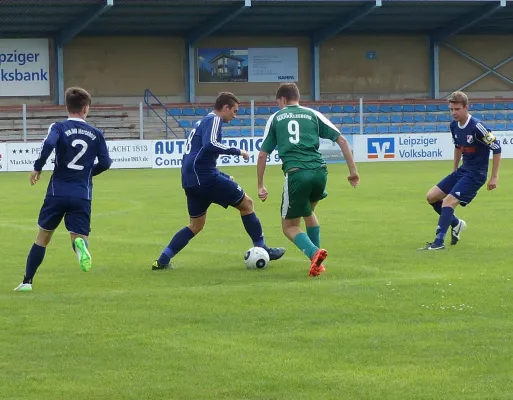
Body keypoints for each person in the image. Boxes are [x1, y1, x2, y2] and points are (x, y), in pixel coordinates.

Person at [152, 92, 285, 270]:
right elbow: (210, 144)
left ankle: (162, 260)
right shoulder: (215, 120)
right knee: (247, 204)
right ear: (225, 108)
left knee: (195, 225)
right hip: (205, 178)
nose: (235, 116)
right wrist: (237, 151)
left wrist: (222, 175)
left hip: (191, 180)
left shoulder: (202, 122)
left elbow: (199, 156)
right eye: (234, 111)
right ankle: (263, 248)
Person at [14, 87, 112, 292]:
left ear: (67, 107)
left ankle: (27, 282)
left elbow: (49, 143)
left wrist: (37, 167)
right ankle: (80, 245)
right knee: (78, 237)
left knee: (43, 237)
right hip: (81, 193)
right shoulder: (96, 134)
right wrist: (87, 172)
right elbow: (106, 162)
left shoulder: (58, 127)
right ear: (86, 109)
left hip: (57, 191)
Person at [256, 83, 359, 277]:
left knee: (289, 227)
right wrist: (353, 172)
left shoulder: (277, 117)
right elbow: (342, 140)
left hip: (297, 174)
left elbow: (263, 154)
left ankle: (314, 253)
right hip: (320, 172)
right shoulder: (312, 114)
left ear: (283, 100)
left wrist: (260, 185)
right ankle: (317, 264)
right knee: (308, 211)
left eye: (278, 102)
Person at [420, 91, 501, 250]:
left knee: (449, 202)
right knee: (431, 197)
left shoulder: (478, 127)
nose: (453, 113)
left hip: (476, 174)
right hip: (463, 171)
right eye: (451, 109)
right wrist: (454, 170)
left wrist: (494, 177)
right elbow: (458, 147)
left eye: (457, 109)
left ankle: (438, 242)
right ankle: (457, 224)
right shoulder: (453, 126)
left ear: (466, 108)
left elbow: (497, 148)